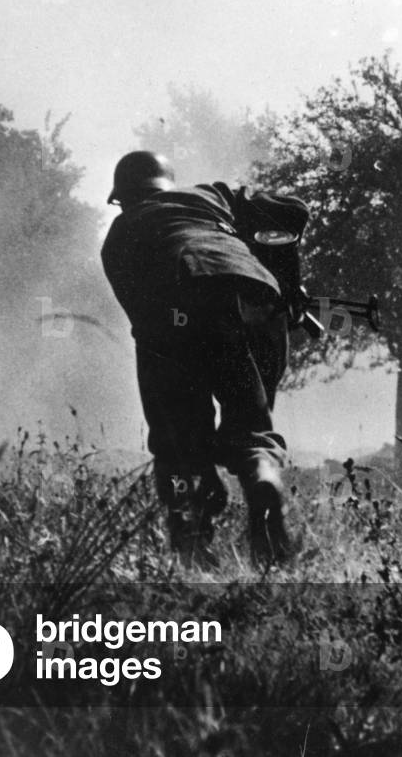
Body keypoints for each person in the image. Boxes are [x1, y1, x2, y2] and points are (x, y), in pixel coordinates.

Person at [101, 151, 310, 566]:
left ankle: (193, 546)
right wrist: (287, 282)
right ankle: (263, 478)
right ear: (168, 183)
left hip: (175, 306)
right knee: (252, 429)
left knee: (179, 443)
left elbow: (147, 326)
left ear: (124, 197)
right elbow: (293, 213)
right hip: (255, 298)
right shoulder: (216, 197)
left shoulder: (120, 236)